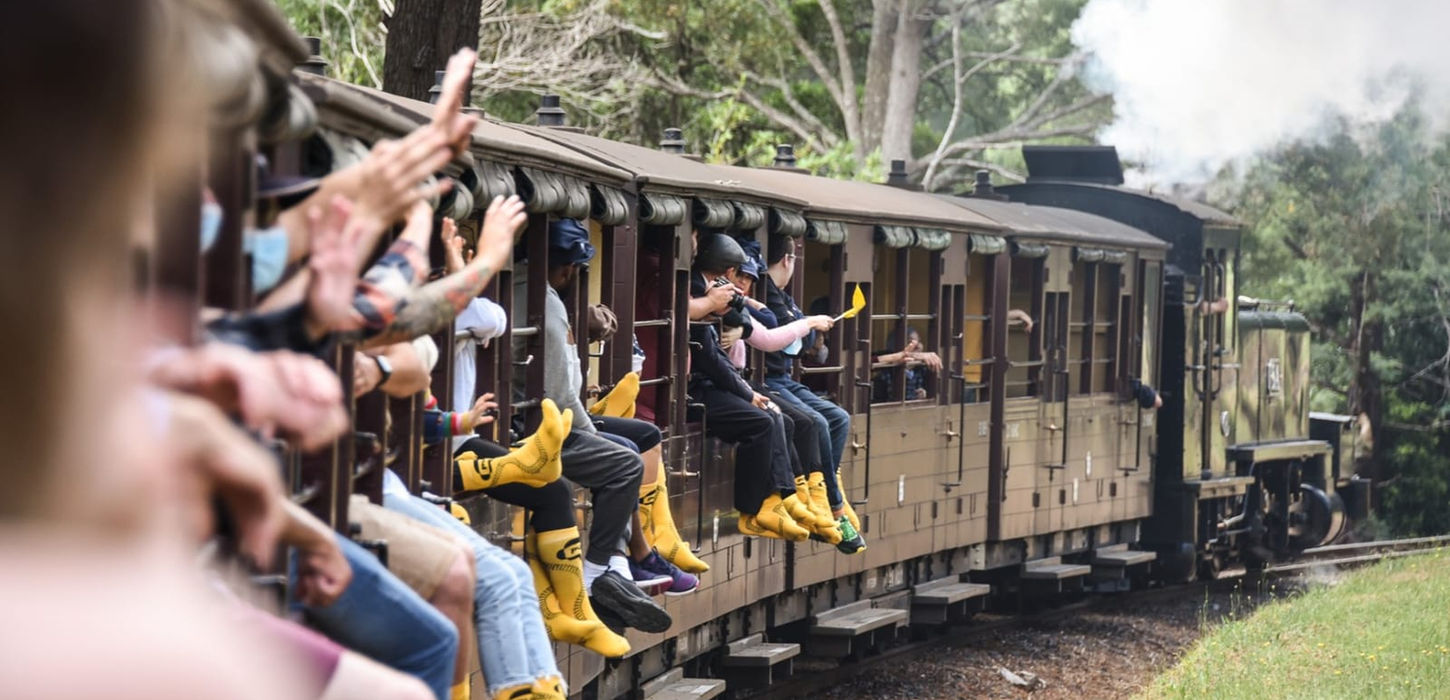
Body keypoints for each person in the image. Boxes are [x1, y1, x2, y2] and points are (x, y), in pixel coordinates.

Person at [512, 219, 675, 633]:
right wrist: (590, 433)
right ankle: (599, 570)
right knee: (623, 463)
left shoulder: (531, 292)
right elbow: (557, 394)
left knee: (624, 447)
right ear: (567, 269)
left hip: (542, 416)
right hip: (535, 427)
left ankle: (618, 565)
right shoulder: (546, 308)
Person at [688, 234, 810, 541]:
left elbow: (751, 318)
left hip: (716, 380)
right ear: (728, 272)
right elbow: (712, 360)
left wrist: (738, 314)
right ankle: (752, 508)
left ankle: (781, 499)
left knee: (777, 415)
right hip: (696, 388)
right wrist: (746, 392)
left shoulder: (712, 291)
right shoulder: (695, 290)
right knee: (761, 421)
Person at [758, 235, 867, 552]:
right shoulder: (768, 291)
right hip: (767, 379)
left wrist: (802, 329)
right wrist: (806, 327)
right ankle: (831, 507)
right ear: (788, 261)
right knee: (817, 422)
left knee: (838, 417)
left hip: (782, 376)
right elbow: (792, 343)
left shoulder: (782, 296)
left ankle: (833, 495)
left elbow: (798, 342)